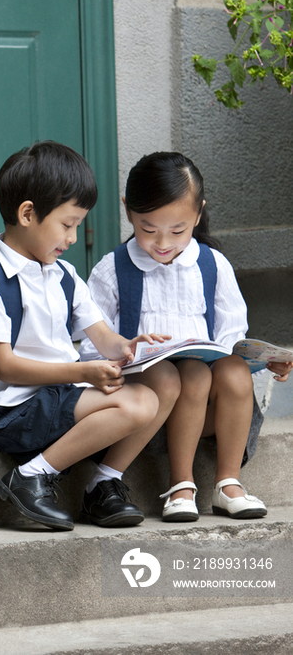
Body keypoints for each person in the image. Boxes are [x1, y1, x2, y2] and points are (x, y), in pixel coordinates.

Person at [0, 141, 181, 531]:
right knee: (139, 403)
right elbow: (6, 367)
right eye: (67, 224)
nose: (73, 237)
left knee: (159, 387)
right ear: (28, 214)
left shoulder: (62, 275)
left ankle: (102, 483)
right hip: (10, 410)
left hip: (58, 397)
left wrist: (127, 347)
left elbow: (103, 336)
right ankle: (29, 477)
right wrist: (85, 372)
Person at [80, 151, 292, 522]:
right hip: (146, 411)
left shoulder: (212, 264)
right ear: (128, 210)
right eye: (148, 229)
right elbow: (89, 347)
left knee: (232, 370)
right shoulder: (112, 270)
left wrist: (263, 359)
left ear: (198, 214)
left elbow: (232, 338)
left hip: (206, 412)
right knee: (188, 373)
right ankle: (181, 485)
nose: (163, 242)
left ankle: (228, 483)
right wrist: (125, 357)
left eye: (178, 231)